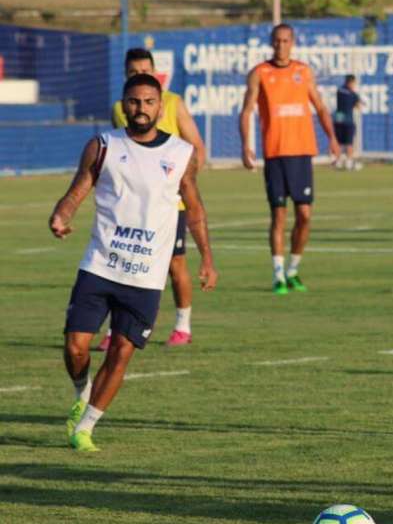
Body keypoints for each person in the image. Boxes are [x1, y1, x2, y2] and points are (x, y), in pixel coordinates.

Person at [51, 73, 217, 452]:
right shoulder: (102, 146)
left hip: (145, 275)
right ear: (122, 104)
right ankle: (82, 391)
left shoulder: (180, 154)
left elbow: (194, 209)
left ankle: (86, 427)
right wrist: (60, 215)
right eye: (133, 101)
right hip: (100, 265)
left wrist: (207, 257)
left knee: (121, 352)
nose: (140, 109)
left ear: (161, 106)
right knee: (76, 346)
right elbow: (77, 191)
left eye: (148, 102)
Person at [94, 48, 207, 350]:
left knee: (175, 263)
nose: (139, 76)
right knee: (118, 259)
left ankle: (182, 324)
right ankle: (113, 328)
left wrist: (185, 182)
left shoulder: (172, 102)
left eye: (145, 70)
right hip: (129, 203)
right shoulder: (121, 108)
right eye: (132, 72)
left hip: (169, 203)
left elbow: (196, 145)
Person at [239, 23, 340, 294]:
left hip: (301, 152)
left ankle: (294, 269)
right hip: (275, 154)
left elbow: (319, 106)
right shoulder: (260, 73)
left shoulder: (303, 72)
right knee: (279, 215)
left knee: (305, 215)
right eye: (277, 40)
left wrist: (332, 138)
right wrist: (245, 146)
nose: (281, 45)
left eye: (286, 40)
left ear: (292, 42)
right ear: (271, 43)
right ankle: (278, 275)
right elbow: (247, 110)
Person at [334, 74, 364, 171]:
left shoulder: (339, 91)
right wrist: (358, 102)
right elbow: (358, 106)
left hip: (338, 119)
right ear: (351, 82)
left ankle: (338, 161)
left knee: (338, 142)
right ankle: (349, 161)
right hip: (348, 120)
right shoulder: (353, 94)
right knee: (349, 142)